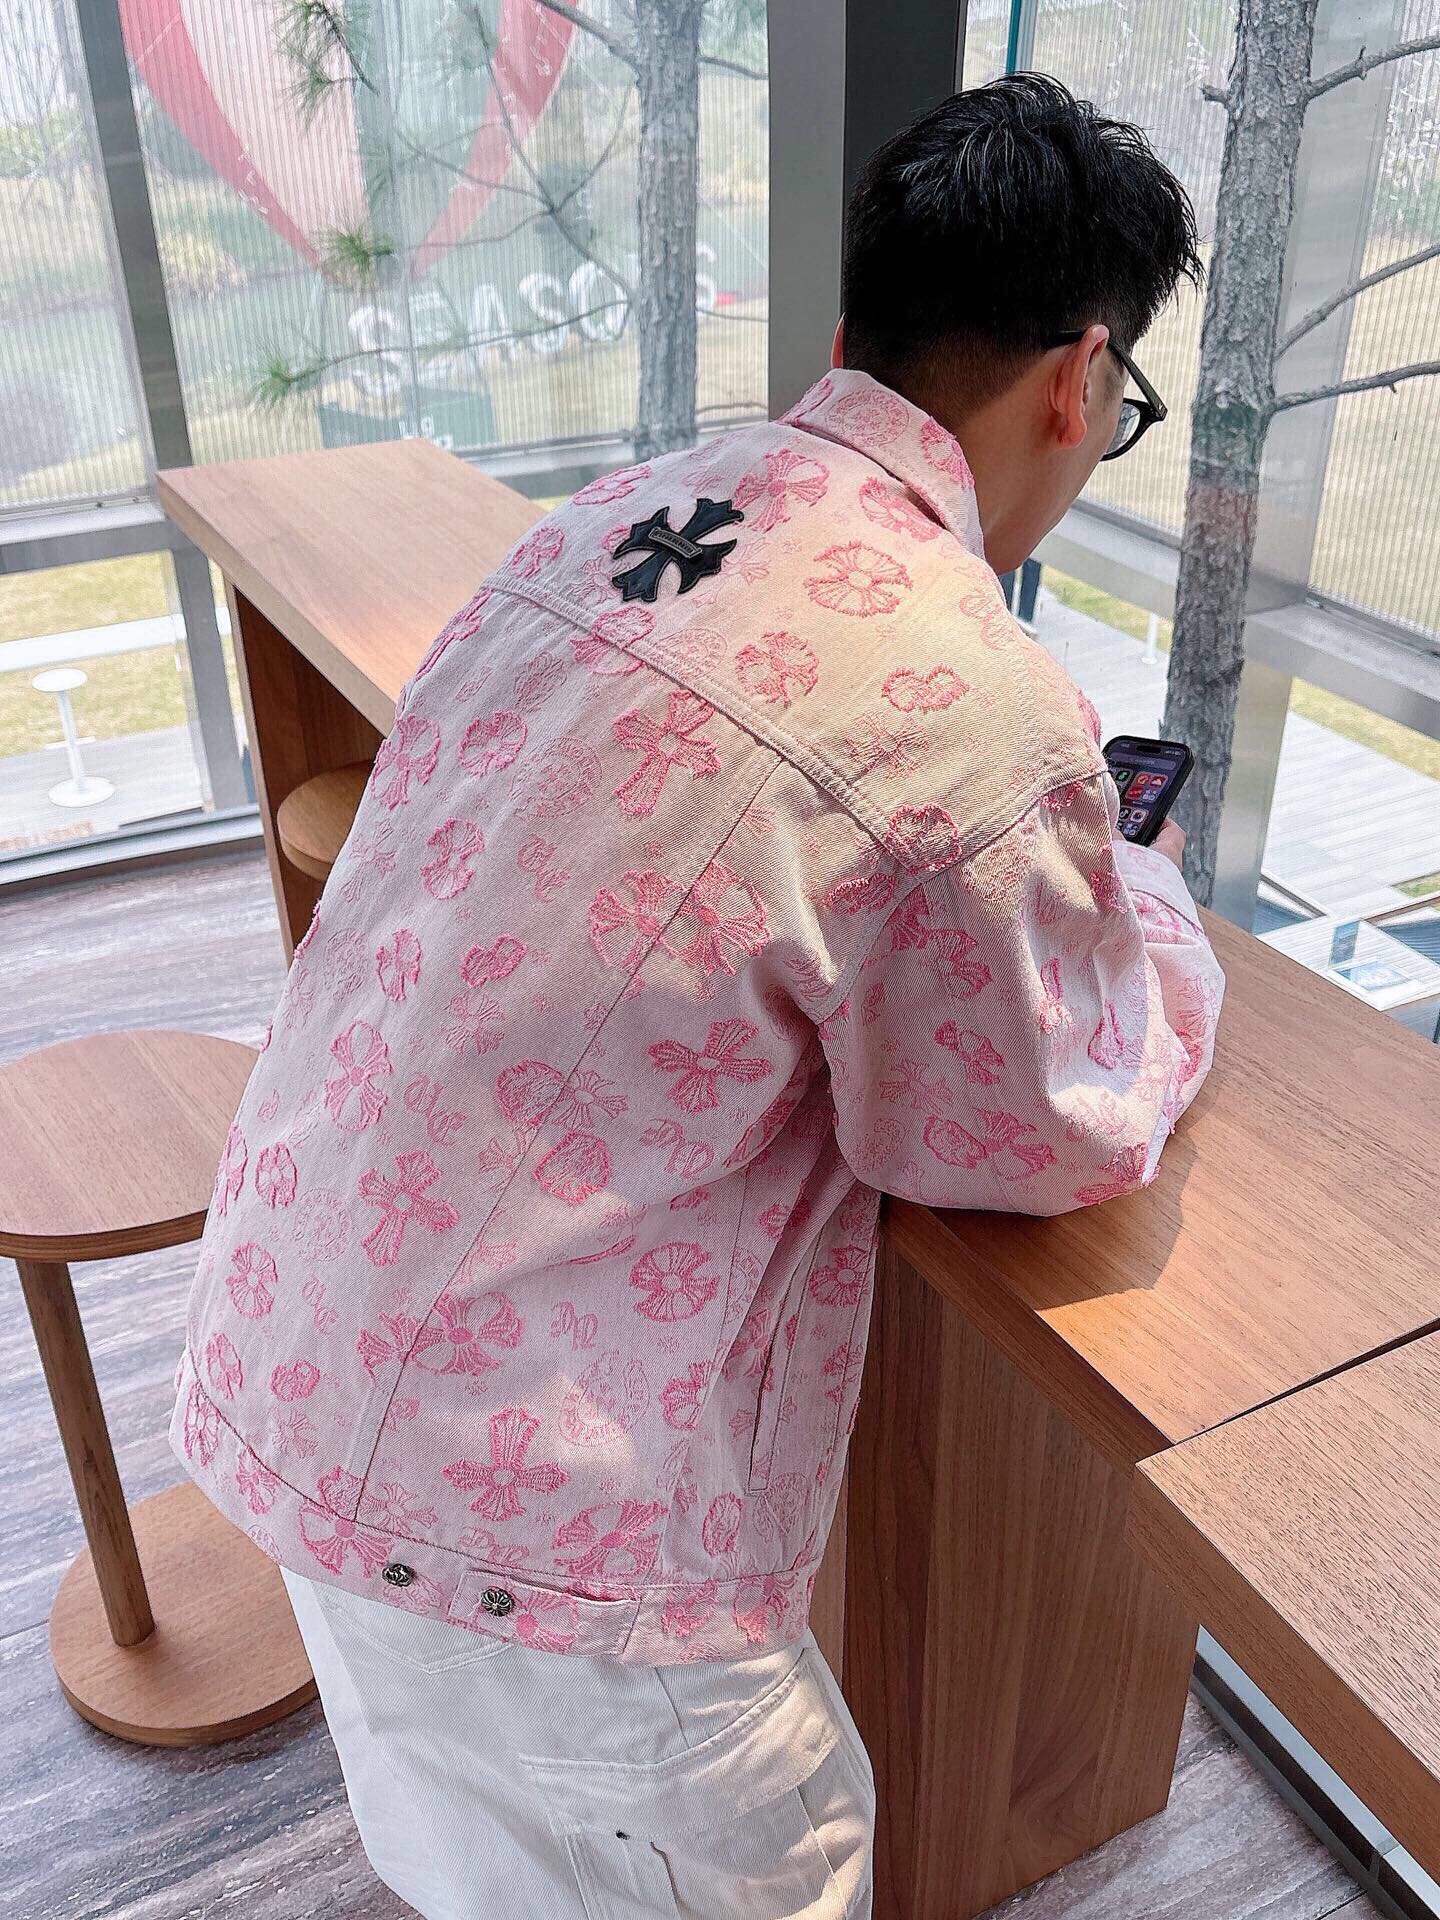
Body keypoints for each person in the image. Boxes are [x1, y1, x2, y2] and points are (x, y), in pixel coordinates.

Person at [169, 73, 1223, 1920]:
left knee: (485, 1874)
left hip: (291, 1345)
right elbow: (1039, 1126)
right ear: (1080, 380)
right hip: (529, 1511)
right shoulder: (975, 700)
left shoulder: (617, 512)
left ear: (857, 328)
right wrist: (1156, 912)